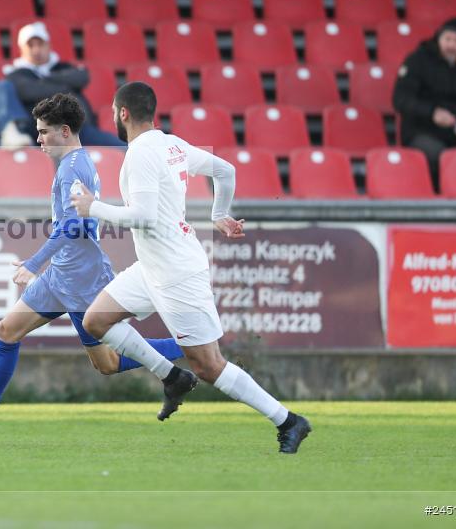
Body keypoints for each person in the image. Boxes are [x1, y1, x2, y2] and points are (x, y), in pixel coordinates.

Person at [70, 82, 312, 454]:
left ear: (122, 113)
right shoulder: (172, 144)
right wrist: (219, 214)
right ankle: (170, 375)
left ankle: (287, 420)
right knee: (96, 321)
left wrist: (93, 207)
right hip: (152, 267)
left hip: (177, 273)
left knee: (209, 366)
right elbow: (225, 170)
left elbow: (144, 218)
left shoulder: (139, 155)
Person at [0, 93, 184, 437]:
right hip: (61, 275)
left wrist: (35, 262)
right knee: (8, 330)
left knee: (107, 364)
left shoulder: (74, 167)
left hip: (83, 279)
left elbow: (74, 225)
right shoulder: (72, 164)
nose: (38, 140)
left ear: (65, 131)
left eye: (44, 132)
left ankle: (190, 345)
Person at [392, 17, 456, 188]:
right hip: (421, 132)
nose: (452, 45)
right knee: (438, 156)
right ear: (438, 38)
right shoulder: (418, 60)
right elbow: (401, 99)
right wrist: (432, 113)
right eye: (448, 39)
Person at [7, 22, 127, 148]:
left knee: (121, 148)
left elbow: (81, 77)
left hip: (77, 131)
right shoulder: (16, 74)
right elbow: (27, 91)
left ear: (48, 45)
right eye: (30, 45)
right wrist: (65, 88)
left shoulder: (62, 67)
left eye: (40, 44)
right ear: (21, 49)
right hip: (41, 137)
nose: (36, 50)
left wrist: (44, 78)